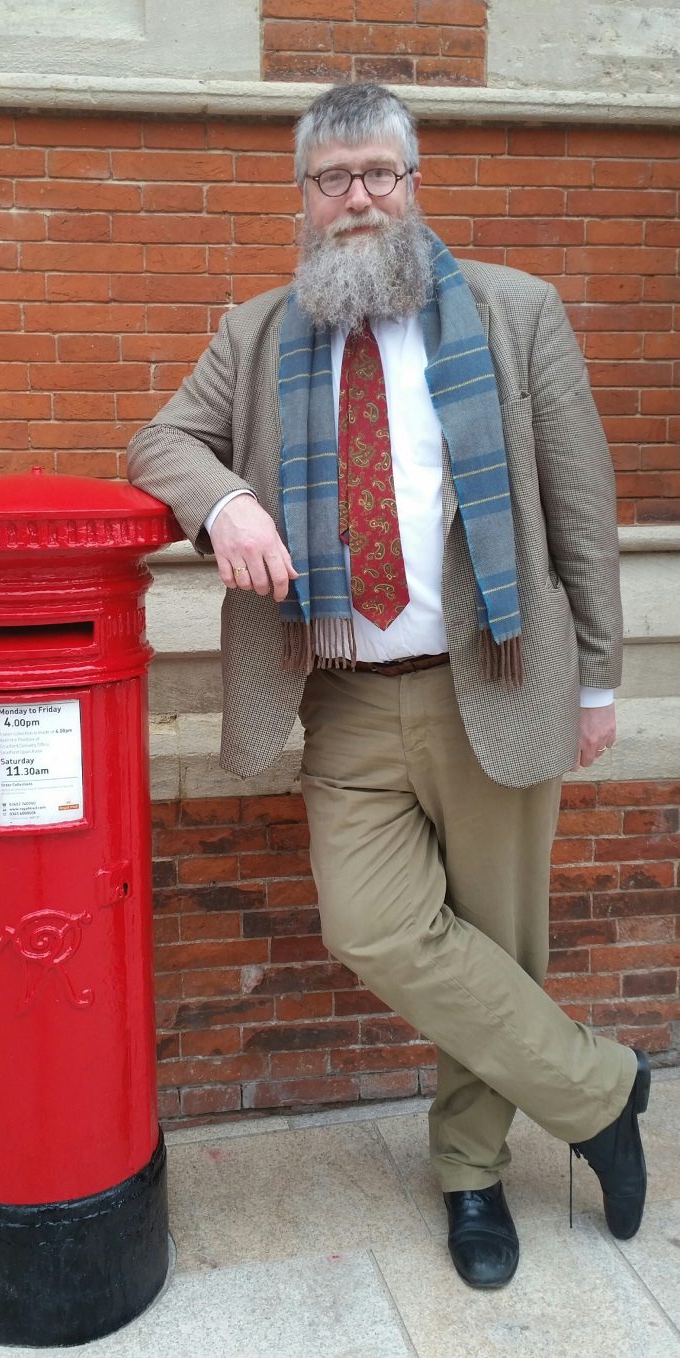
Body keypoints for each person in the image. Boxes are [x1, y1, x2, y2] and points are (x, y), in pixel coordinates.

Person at [127, 82, 649, 1289]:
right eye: (332, 178)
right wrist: (230, 500)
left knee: (498, 942)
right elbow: (161, 443)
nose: (357, 197)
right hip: (348, 691)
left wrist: (600, 683)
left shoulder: (518, 314)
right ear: (303, 199)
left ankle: (472, 1174)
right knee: (374, 925)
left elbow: (582, 509)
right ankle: (600, 1091)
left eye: (378, 174)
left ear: (413, 184)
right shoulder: (257, 332)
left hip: (500, 673)